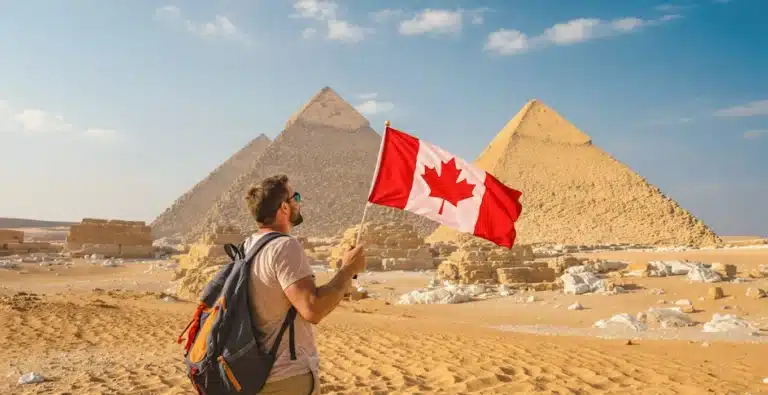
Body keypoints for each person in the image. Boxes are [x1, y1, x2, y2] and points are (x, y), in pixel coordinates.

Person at [243, 174, 367, 395]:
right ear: (284, 207)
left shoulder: (247, 247)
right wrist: (348, 269)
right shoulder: (284, 247)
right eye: (296, 197)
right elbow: (313, 309)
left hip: (251, 374)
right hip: (285, 378)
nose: (299, 201)